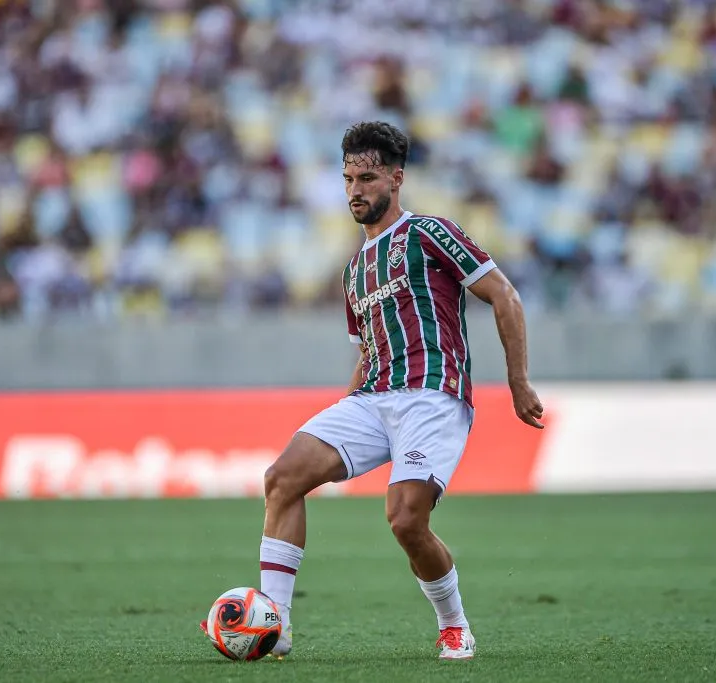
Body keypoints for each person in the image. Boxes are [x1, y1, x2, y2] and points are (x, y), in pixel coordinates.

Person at [203, 120, 544, 660]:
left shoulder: (430, 233)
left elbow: (504, 295)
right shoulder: (355, 270)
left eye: (366, 177)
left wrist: (518, 382)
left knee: (406, 519)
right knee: (283, 477)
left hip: (432, 395)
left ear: (395, 178)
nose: (355, 190)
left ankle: (454, 624)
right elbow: (367, 349)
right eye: (347, 179)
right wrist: (343, 413)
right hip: (372, 399)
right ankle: (276, 625)